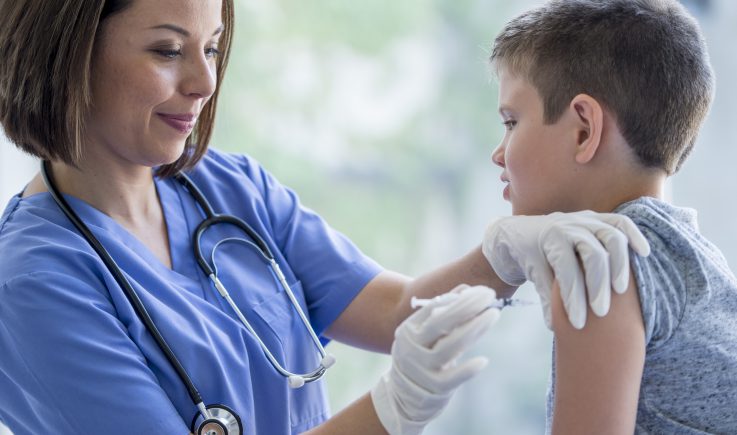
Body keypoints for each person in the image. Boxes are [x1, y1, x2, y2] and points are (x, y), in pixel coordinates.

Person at [0, 1, 648, 434]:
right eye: (168, 51)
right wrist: (390, 408)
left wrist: (503, 255)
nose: (204, 81)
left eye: (214, 48)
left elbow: (394, 312)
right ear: (69, 54)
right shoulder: (32, 285)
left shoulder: (227, 187)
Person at [486, 0, 737, 433]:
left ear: (584, 129)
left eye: (511, 122)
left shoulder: (603, 261)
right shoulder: (697, 257)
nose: (498, 154)